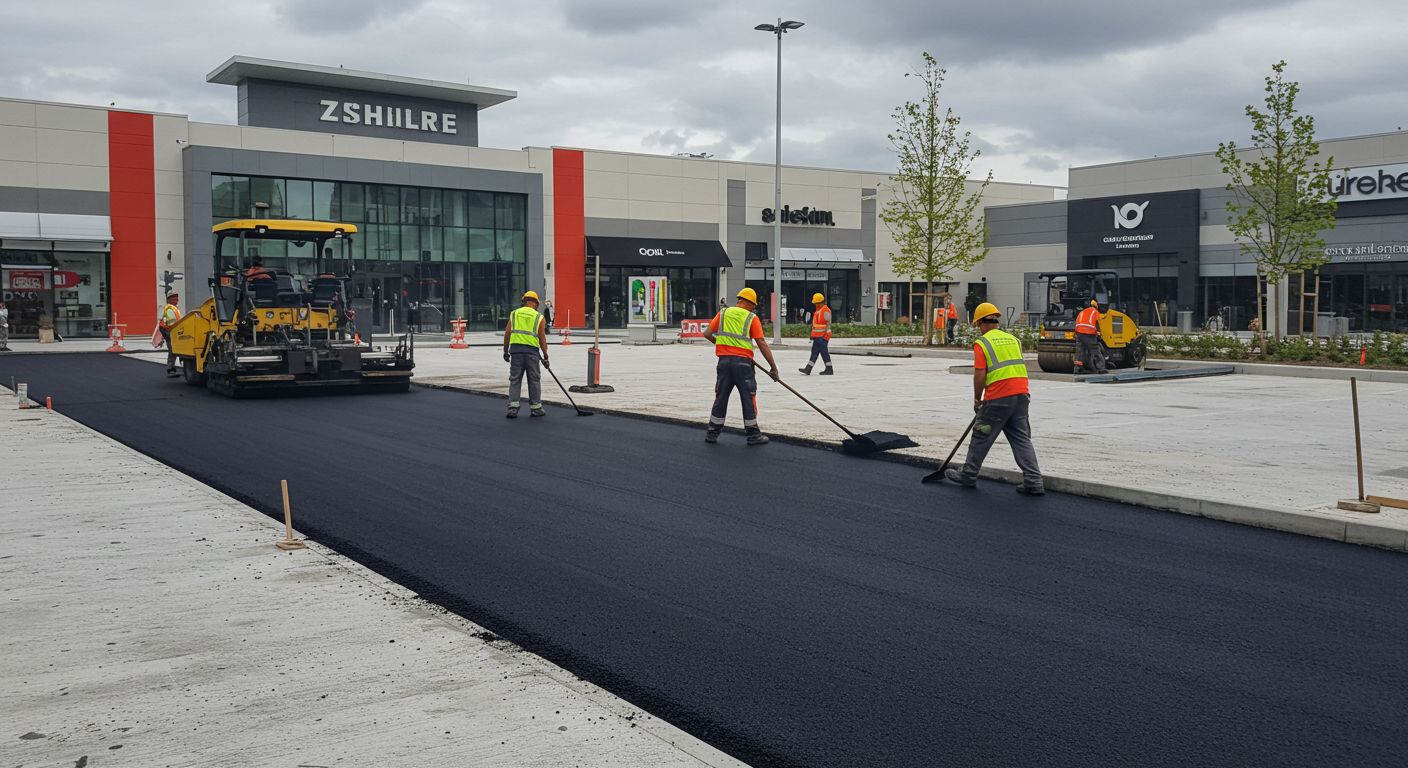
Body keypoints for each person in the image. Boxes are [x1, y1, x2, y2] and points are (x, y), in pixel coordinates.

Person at [944, 303, 1044, 495]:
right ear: (995, 320)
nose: (978, 328)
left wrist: (977, 398)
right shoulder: (1013, 340)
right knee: (1021, 439)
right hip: (1021, 396)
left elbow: (980, 375)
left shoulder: (983, 343)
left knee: (981, 435)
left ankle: (969, 474)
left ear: (981, 322)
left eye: (978, 324)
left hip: (998, 398)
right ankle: (1034, 480)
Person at [703, 287, 779, 445]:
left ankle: (712, 433)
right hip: (743, 365)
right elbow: (762, 344)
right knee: (748, 397)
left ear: (739, 301)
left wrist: (724, 346)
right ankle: (753, 435)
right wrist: (773, 367)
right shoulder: (752, 317)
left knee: (721, 396)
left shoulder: (724, 313)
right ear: (751, 304)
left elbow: (707, 333)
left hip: (724, 363)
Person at [502, 290, 550, 419]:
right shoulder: (539, 317)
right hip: (532, 353)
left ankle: (513, 408)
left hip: (516, 351)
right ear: (536, 303)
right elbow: (542, 338)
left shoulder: (514, 314)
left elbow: (507, 334)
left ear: (524, 301)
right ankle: (536, 408)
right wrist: (545, 355)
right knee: (534, 379)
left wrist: (505, 351)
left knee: (515, 379)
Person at [798, 292, 834, 376]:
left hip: (822, 337)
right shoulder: (818, 310)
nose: (815, 305)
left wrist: (826, 336)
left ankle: (829, 369)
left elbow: (828, 324)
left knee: (824, 352)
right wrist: (812, 334)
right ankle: (808, 368)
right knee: (814, 352)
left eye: (816, 303)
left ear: (821, 302)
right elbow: (815, 325)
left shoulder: (825, 310)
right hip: (817, 336)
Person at [1074, 299, 1107, 374]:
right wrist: (1099, 335)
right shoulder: (1095, 312)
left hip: (1079, 333)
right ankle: (1101, 368)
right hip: (1088, 333)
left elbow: (1077, 322)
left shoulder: (1082, 312)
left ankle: (1078, 368)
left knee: (1080, 351)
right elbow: (1097, 324)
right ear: (1096, 307)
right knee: (1095, 350)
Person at [159, 292, 182, 376]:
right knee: (173, 349)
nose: (176, 300)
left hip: (167, 330)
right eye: (175, 299)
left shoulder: (172, 308)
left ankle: (172, 367)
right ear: (170, 299)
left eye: (177, 298)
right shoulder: (170, 309)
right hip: (169, 330)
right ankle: (171, 369)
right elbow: (172, 323)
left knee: (173, 349)